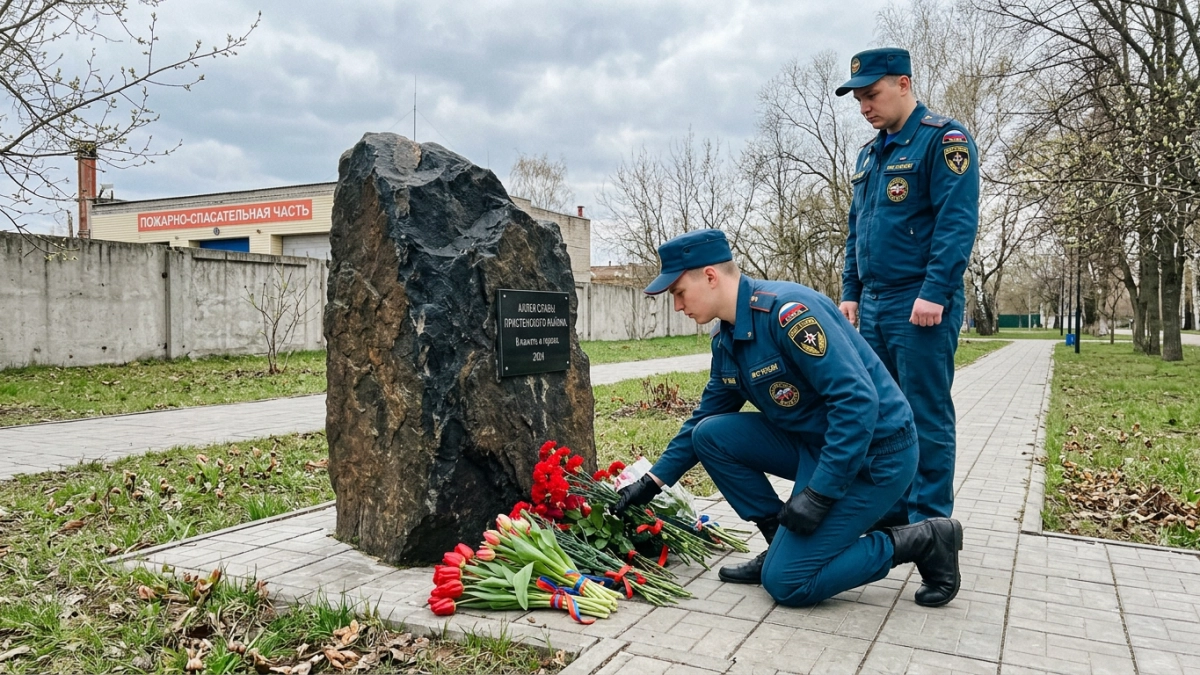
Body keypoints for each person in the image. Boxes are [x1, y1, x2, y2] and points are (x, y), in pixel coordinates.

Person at [613, 229, 963, 608]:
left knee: (787, 583)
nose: (677, 305)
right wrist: (651, 483)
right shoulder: (727, 339)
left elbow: (857, 403)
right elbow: (705, 416)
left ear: (710, 276)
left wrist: (819, 495)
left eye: (679, 292)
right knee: (709, 434)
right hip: (818, 446)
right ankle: (778, 541)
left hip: (875, 455)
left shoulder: (790, 313)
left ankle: (922, 540)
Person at [835, 48, 980, 526]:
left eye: (872, 95)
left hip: (919, 302)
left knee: (925, 415)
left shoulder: (943, 140)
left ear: (903, 84)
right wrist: (851, 292)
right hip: (874, 303)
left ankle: (931, 527)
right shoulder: (869, 154)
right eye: (858, 99)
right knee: (883, 416)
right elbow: (857, 229)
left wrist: (935, 292)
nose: (864, 107)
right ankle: (893, 516)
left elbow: (956, 223)